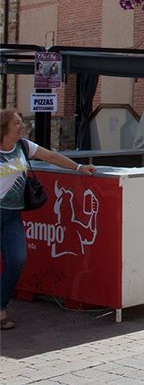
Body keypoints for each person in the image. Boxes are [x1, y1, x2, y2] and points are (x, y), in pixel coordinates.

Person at [1, 109, 98, 330]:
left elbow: (51, 156)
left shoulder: (23, 146)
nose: (21, 126)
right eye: (16, 123)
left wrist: (79, 167)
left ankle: (0, 306)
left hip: (11, 215)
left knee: (16, 260)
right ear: (4, 126)